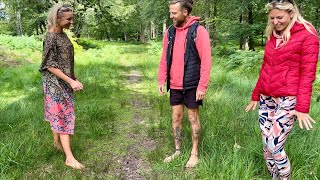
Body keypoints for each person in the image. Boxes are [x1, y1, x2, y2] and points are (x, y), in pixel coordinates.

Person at [245, 0, 319, 179]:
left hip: (288, 99)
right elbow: (265, 67)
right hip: (266, 98)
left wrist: (302, 108)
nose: (276, 21)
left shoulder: (307, 35)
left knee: (275, 146)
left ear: (292, 13)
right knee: (265, 144)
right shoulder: (273, 34)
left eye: (280, 17)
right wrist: (256, 95)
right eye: (272, 18)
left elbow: (307, 74)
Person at [158, 0, 212, 168]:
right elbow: (164, 57)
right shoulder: (170, 32)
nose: (171, 16)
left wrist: (202, 86)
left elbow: (206, 61)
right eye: (170, 12)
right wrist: (162, 79)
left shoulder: (199, 31)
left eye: (174, 13)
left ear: (185, 12)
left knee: (193, 117)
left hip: (192, 84)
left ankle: (194, 152)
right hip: (174, 84)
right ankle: (178, 150)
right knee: (176, 117)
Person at [39, 4, 85, 170]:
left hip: (64, 81)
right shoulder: (51, 37)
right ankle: (69, 158)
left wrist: (74, 77)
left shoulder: (63, 35)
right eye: (68, 19)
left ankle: (57, 143)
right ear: (57, 19)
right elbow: (50, 65)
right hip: (55, 84)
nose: (71, 22)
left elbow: (64, 61)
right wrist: (70, 81)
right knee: (64, 116)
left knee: (58, 115)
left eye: (72, 18)